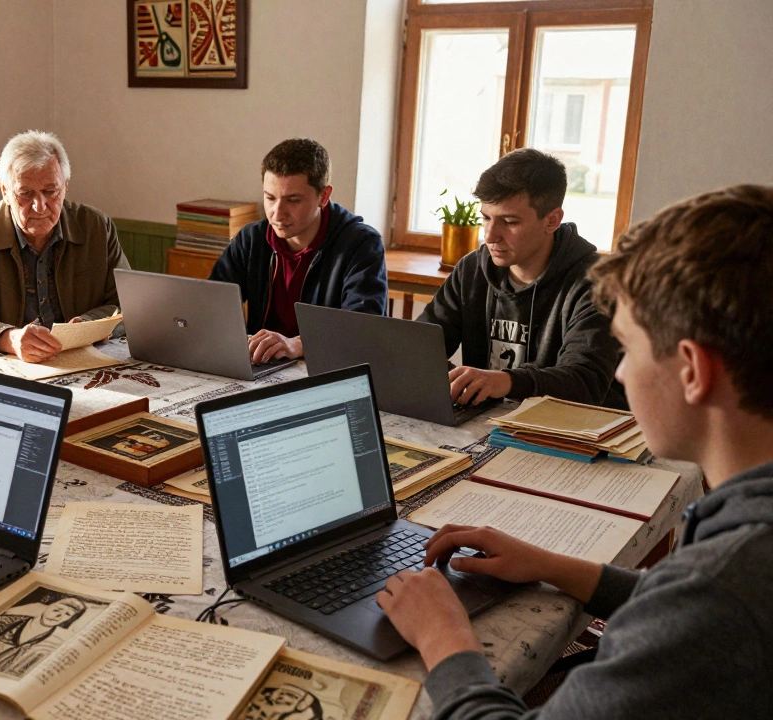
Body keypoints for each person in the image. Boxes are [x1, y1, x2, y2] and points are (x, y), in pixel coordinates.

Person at [378, 185, 773, 718]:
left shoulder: (720, 590)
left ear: (693, 371)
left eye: (629, 349)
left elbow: (701, 604)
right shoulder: (735, 557)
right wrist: (549, 564)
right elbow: (678, 597)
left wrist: (444, 635)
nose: (619, 373)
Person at [418, 148, 624, 408]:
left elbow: (584, 381)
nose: (490, 236)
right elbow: (422, 347)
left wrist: (505, 381)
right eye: (486, 218)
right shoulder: (472, 269)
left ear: (552, 221)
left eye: (509, 222)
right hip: (490, 423)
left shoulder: (598, 283)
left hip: (572, 432)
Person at [0, 130, 129, 363]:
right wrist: (9, 339)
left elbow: (129, 305)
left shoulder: (96, 226)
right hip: (10, 366)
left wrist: (89, 326)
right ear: (5, 190)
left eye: (50, 191)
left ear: (65, 186)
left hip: (85, 360)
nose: (40, 206)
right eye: (25, 193)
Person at [208, 138, 387, 364]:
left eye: (293, 200)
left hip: (326, 368)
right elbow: (213, 306)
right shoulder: (251, 239)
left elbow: (363, 328)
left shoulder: (361, 244)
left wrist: (298, 344)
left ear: (323, 196)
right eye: (270, 198)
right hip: (260, 367)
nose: (277, 213)